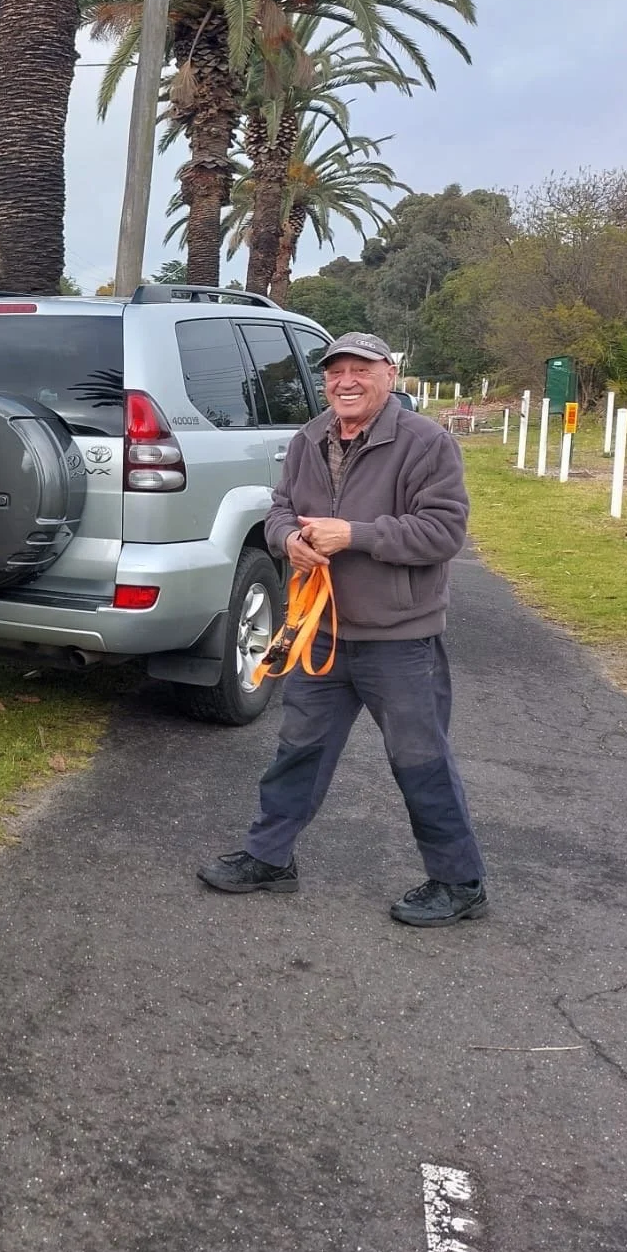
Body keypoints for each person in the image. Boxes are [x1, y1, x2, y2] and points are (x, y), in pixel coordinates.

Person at [197, 331, 489, 927]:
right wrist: (288, 541)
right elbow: (279, 508)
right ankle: (269, 857)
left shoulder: (427, 443)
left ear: (389, 372)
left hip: (399, 637)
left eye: (361, 369)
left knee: (420, 758)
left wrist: (353, 534)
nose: (346, 381)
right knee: (297, 748)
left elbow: (442, 534)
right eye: (335, 371)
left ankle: (460, 884)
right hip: (320, 630)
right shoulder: (309, 437)